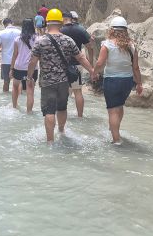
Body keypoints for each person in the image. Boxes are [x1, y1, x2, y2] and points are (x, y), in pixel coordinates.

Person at [27, 9, 94, 143]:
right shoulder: (68, 40)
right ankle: (62, 132)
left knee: (49, 111)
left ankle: (50, 140)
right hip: (64, 81)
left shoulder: (40, 41)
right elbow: (81, 58)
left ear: (47, 22)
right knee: (62, 107)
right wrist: (92, 71)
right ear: (61, 23)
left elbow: (33, 61)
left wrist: (29, 77)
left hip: (47, 82)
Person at [91, 16, 143, 145]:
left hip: (112, 81)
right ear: (125, 30)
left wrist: (94, 73)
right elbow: (136, 67)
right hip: (127, 81)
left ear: (111, 30)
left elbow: (100, 63)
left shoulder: (107, 44)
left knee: (112, 110)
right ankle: (116, 130)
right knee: (119, 106)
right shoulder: (132, 46)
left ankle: (116, 139)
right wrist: (139, 83)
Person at [60, 11, 94, 117]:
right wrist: (90, 61)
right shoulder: (80, 29)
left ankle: (62, 115)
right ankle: (80, 116)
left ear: (63, 18)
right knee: (78, 91)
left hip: (62, 66)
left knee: (62, 92)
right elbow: (90, 46)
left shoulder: (60, 30)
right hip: (77, 65)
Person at [10, 19, 38, 112]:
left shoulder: (18, 39)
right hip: (33, 67)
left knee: (15, 86)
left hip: (19, 66)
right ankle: (29, 112)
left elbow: (15, 54)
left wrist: (11, 68)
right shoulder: (37, 39)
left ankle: (14, 107)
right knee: (30, 91)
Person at [0, 18, 21, 93]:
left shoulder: (1, 33)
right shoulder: (19, 32)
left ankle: (5, 100)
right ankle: (19, 100)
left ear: (4, 25)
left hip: (6, 61)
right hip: (17, 61)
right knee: (19, 82)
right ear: (12, 22)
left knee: (6, 82)